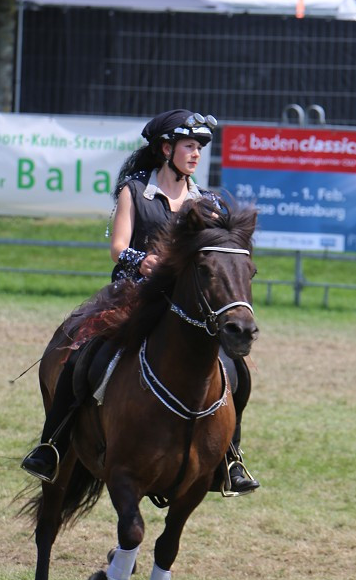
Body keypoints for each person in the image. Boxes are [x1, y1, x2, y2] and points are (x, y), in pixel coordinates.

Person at [22, 109, 259, 496]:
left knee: (237, 369)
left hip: (187, 306)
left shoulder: (208, 202)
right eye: (189, 146)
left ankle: (231, 457)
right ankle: (52, 445)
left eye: (199, 147)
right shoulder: (133, 190)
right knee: (83, 354)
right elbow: (118, 247)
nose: (196, 153)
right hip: (134, 295)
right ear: (166, 149)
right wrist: (142, 260)